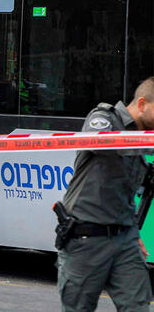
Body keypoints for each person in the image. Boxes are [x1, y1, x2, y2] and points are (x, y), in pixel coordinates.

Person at [55, 77, 154, 311]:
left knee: (139, 307)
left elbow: (124, 193)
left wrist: (132, 230)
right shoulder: (104, 118)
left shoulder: (141, 139)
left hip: (125, 239)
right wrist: (145, 144)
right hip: (87, 238)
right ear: (142, 104)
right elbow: (99, 143)